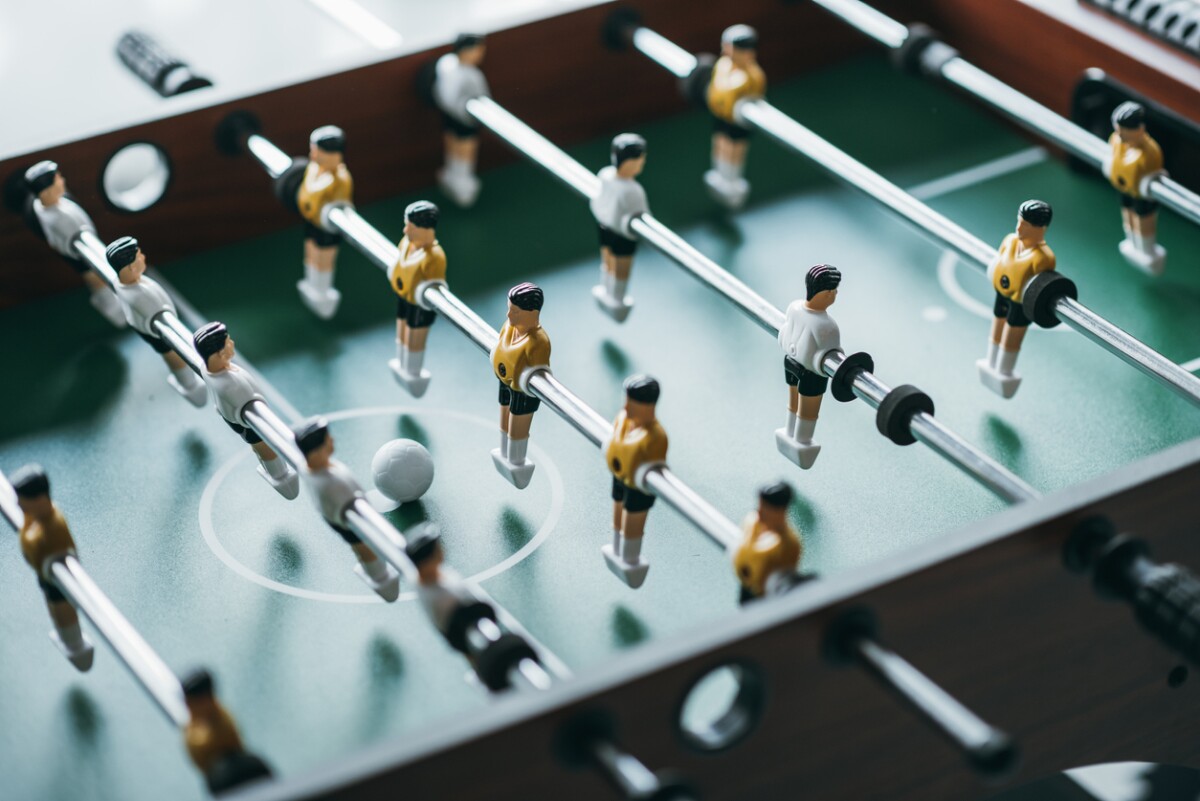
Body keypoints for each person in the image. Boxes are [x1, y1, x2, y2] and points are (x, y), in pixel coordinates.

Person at [292, 417, 400, 601]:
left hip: (342, 512)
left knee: (362, 545)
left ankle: (373, 567)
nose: (332, 441)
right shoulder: (329, 485)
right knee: (363, 545)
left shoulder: (315, 469)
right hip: (346, 519)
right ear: (316, 452)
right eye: (327, 440)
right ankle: (377, 574)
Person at [193, 322, 299, 499]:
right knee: (264, 447)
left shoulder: (209, 369)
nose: (232, 344)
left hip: (235, 414)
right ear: (218, 354)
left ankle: (274, 470)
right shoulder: (230, 385)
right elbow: (245, 396)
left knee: (259, 446)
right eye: (228, 342)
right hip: (246, 420)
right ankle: (279, 475)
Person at [105, 236, 208, 406]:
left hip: (151, 325)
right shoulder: (138, 295)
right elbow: (155, 310)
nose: (143, 257)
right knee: (173, 355)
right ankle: (188, 383)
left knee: (172, 354)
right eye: (139, 256)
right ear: (129, 267)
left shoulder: (127, 283)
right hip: (156, 330)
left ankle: (187, 382)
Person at [12, 464, 95, 670]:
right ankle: (69, 641)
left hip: (57, 581)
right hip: (46, 577)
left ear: (39, 499)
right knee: (55, 609)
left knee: (62, 610)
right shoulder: (37, 521)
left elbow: (32, 543)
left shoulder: (51, 527)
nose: (18, 504)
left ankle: (75, 645)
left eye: (23, 500)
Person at [24, 161, 125, 327]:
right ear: (47, 191)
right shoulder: (53, 218)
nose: (62, 181)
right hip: (77, 252)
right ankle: (115, 311)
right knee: (96, 279)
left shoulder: (59, 200)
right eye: (58, 180)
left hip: (82, 242)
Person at [977, 200, 1055, 399]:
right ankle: (990, 362)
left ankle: (1004, 371)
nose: (1019, 228)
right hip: (1001, 294)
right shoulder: (1010, 241)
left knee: (1012, 333)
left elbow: (1038, 286)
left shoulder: (1043, 258)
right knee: (997, 325)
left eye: (1026, 225)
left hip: (1020, 303)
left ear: (1041, 228)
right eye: (1019, 222)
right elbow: (998, 262)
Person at [602, 375, 668, 589]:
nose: (627, 408)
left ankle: (630, 558)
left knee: (632, 522)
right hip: (620, 475)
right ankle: (616, 548)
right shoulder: (623, 420)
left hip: (639, 487)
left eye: (633, 404)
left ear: (649, 406)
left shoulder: (656, 436)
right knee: (618, 514)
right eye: (627, 401)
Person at [776, 264, 842, 469]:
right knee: (807, 412)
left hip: (790, 362)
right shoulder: (827, 326)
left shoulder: (793, 307)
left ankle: (788, 432)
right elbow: (832, 356)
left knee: (793, 402)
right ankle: (802, 443)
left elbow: (785, 332)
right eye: (834, 291)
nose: (836, 294)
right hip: (812, 373)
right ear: (826, 293)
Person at [490, 283, 551, 489]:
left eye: (515, 311)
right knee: (504, 420)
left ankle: (516, 462)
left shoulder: (538, 341)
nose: (509, 315)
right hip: (504, 379)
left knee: (516, 428)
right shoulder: (509, 327)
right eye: (509, 308)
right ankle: (504, 453)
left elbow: (540, 370)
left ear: (532, 313)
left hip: (524, 390)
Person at [387, 201, 447, 396]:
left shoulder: (435, 257)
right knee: (401, 332)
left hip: (420, 305)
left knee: (414, 337)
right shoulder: (407, 244)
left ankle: (412, 372)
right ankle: (402, 365)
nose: (405, 230)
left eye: (411, 227)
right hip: (403, 297)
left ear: (426, 229)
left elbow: (437, 284)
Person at [704, 24, 766, 209]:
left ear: (747, 52)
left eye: (731, 48)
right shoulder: (723, 65)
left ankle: (732, 182)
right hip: (721, 115)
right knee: (720, 143)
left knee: (734, 151)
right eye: (726, 47)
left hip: (738, 122)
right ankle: (719, 176)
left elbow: (755, 96)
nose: (726, 51)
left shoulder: (753, 76)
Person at [182, 669, 273, 793]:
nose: (187, 705)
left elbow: (197, 748)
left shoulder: (216, 734)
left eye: (190, 702)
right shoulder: (220, 717)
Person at [589, 133, 649, 321]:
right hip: (622, 235)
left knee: (607, 261)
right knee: (620, 267)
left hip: (604, 226)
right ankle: (616, 299)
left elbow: (597, 200)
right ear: (629, 162)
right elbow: (645, 217)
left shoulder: (605, 174)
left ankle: (607, 292)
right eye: (640, 160)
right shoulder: (634, 190)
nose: (642, 163)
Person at [296, 125, 353, 318]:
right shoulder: (313, 170)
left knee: (323, 259)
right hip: (312, 221)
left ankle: (321, 291)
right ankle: (311, 285)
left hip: (328, 228)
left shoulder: (340, 179)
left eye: (318, 152)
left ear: (334, 155)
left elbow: (342, 205)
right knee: (310, 252)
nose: (314, 155)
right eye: (313, 150)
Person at [1105, 102, 1166, 275]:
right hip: (1124, 189)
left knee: (1142, 219)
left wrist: (1148, 182)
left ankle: (1146, 251)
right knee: (1127, 214)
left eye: (1123, 130)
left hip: (1142, 195)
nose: (1120, 134)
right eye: (1118, 130)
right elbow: (1114, 158)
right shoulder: (1117, 141)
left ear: (1139, 128)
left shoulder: (1151, 151)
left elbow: (1153, 174)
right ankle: (1132, 243)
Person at [433, 33, 489, 207]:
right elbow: (484, 97)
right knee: (464, 151)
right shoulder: (471, 75)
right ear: (467, 51)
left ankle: (454, 177)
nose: (480, 54)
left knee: (454, 147)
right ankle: (461, 185)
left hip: (450, 116)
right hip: (464, 119)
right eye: (478, 50)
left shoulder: (446, 63)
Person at [732, 482, 803, 604]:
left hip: (767, 599)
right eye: (759, 507)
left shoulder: (789, 545)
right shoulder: (752, 522)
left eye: (765, 509)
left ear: (780, 511)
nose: (759, 513)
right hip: (747, 589)